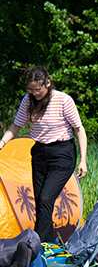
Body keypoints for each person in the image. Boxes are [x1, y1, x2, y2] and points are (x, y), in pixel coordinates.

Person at [0, 66, 87, 243]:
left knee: (46, 199)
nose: (34, 93)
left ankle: (38, 245)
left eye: (38, 89)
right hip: (39, 152)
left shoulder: (63, 100)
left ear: (48, 83)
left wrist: (83, 160)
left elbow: (79, 129)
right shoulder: (28, 101)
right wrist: (2, 143)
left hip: (62, 153)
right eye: (30, 89)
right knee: (40, 202)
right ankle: (48, 245)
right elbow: (16, 126)